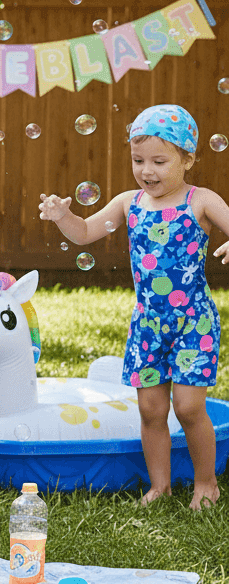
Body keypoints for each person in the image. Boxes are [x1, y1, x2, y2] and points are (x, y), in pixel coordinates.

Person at [40, 103, 225, 510]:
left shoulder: (201, 201)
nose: (147, 170)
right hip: (148, 325)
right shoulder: (130, 203)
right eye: (138, 160)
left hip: (193, 323)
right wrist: (64, 217)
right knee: (150, 408)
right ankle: (160, 486)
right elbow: (86, 232)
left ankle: (206, 484)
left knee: (190, 407)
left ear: (188, 158)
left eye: (159, 161)